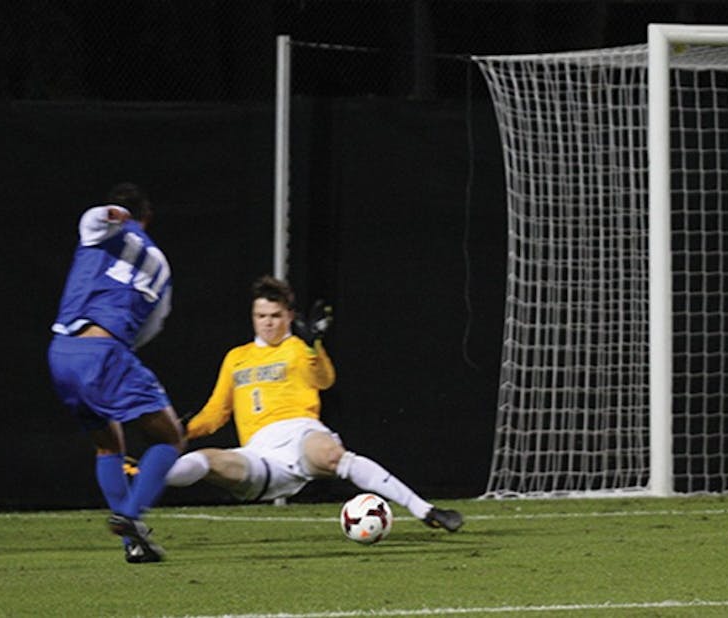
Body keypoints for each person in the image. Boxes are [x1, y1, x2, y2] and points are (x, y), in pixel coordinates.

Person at [165, 275, 463, 532]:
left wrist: (312, 347)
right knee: (205, 461)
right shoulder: (236, 357)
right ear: (253, 317)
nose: (268, 323)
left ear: (289, 316)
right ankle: (148, 476)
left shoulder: (298, 348)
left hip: (302, 433)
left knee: (333, 455)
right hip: (259, 451)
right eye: (261, 316)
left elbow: (325, 380)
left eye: (275, 316)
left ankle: (425, 510)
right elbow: (216, 412)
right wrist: (182, 431)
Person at [47, 182, 186, 564]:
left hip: (60, 351)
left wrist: (106, 214)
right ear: (148, 217)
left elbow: (90, 218)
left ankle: (134, 544)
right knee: (170, 437)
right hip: (104, 352)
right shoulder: (158, 263)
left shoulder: (96, 233)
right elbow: (153, 325)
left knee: (108, 444)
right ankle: (130, 515)